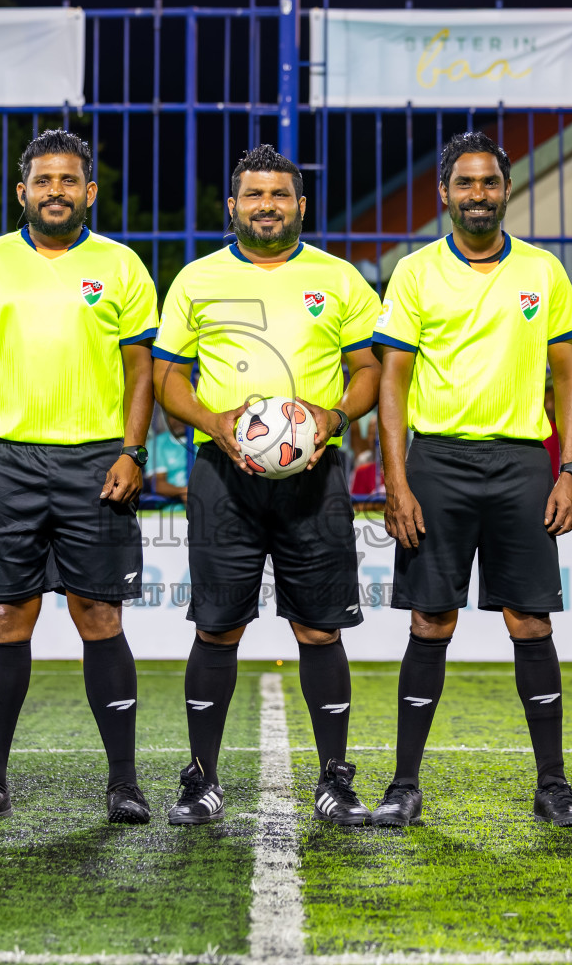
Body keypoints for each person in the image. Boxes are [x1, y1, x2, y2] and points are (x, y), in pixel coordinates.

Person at [154, 144, 382, 826]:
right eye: (253, 195)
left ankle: (335, 779)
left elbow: (368, 368)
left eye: (280, 195)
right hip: (224, 476)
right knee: (217, 628)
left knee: (319, 630)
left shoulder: (339, 278)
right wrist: (214, 423)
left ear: (301, 205)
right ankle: (201, 778)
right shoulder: (196, 279)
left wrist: (334, 413)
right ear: (232, 205)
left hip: (316, 477)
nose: (267, 205)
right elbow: (167, 378)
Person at [371, 132, 572, 827]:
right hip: (437, 462)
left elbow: (568, 377)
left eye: (489, 182)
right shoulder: (414, 272)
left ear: (506, 188)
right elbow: (392, 383)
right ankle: (404, 783)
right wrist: (396, 480)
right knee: (431, 617)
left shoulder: (543, 271)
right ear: (444, 192)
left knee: (530, 619)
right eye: (464, 183)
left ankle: (553, 785)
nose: (477, 194)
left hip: (523, 463)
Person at [0, 130, 158, 825]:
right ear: (22, 192)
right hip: (6, 457)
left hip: (95, 460)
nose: (56, 191)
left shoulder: (121, 265)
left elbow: (140, 370)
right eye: (44, 181)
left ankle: (123, 781)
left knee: (99, 614)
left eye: (69, 181)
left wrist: (133, 451)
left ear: (89, 192)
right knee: (7, 616)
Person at [149, 406, 191, 503]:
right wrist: (183, 492)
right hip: (169, 510)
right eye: (173, 415)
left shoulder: (201, 442)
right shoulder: (157, 444)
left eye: (182, 415)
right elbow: (157, 484)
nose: (177, 420)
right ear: (166, 417)